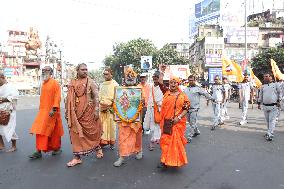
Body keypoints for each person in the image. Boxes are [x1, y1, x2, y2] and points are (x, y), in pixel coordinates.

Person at [65, 63, 103, 167]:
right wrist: (68, 111)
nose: (85, 71)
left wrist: (96, 109)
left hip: (88, 112)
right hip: (75, 113)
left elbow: (96, 96)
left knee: (92, 133)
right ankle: (77, 157)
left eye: (86, 69)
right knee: (75, 134)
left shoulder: (91, 82)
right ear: (77, 70)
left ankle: (97, 147)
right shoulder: (73, 82)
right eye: (82, 69)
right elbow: (68, 98)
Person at [29, 66, 64, 159]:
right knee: (41, 131)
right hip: (43, 111)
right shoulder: (44, 83)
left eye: (47, 70)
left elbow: (58, 97)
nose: (44, 71)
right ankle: (39, 150)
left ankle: (54, 149)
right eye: (43, 70)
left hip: (52, 112)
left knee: (50, 132)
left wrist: (54, 108)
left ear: (51, 72)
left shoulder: (55, 83)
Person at [113, 67, 143, 167]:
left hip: (135, 119)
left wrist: (142, 102)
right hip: (123, 119)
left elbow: (142, 103)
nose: (130, 78)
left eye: (132, 77)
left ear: (135, 78)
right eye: (128, 77)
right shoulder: (120, 90)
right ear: (125, 78)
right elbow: (118, 102)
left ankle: (138, 150)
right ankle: (122, 156)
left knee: (136, 136)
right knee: (122, 138)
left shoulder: (139, 90)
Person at [158, 76, 190, 168]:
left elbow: (186, 109)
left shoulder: (182, 96)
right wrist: (162, 71)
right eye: (171, 82)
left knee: (175, 143)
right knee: (165, 142)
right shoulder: (166, 93)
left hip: (177, 123)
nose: (172, 84)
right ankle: (164, 161)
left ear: (178, 84)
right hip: (167, 123)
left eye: (175, 82)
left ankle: (175, 161)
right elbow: (160, 83)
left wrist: (178, 118)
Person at [183, 75, 213, 142]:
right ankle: (197, 131)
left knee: (192, 122)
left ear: (194, 80)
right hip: (187, 109)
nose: (190, 81)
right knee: (190, 122)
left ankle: (189, 137)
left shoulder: (198, 88)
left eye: (192, 80)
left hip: (194, 109)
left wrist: (212, 98)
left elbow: (206, 94)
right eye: (189, 80)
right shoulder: (186, 89)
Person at [257, 72, 282, 141]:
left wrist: (279, 101)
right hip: (265, 106)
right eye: (264, 76)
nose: (265, 77)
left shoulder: (276, 84)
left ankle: (270, 134)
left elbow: (280, 93)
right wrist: (259, 103)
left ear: (271, 77)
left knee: (272, 120)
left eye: (267, 76)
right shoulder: (262, 86)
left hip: (273, 106)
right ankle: (269, 132)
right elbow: (260, 96)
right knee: (268, 121)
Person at [99, 68, 119, 149]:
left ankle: (112, 143)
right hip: (102, 108)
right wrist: (101, 104)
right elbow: (99, 96)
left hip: (111, 109)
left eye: (107, 74)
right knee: (102, 126)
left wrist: (110, 105)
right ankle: (103, 142)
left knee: (111, 127)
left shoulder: (115, 85)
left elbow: (117, 98)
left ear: (111, 74)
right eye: (104, 74)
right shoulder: (102, 84)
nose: (105, 75)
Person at [143, 71, 163, 151]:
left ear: (159, 78)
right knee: (152, 126)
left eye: (156, 78)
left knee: (159, 125)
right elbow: (150, 98)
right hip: (151, 108)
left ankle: (157, 140)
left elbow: (165, 99)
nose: (155, 80)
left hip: (159, 109)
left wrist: (160, 104)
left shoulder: (163, 88)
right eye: (154, 78)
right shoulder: (151, 87)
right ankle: (153, 140)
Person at [0, 71, 19, 152]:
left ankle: (14, 146)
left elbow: (15, 97)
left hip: (8, 111)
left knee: (9, 129)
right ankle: (1, 144)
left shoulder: (10, 87)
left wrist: (3, 99)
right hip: (0, 110)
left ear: (3, 77)